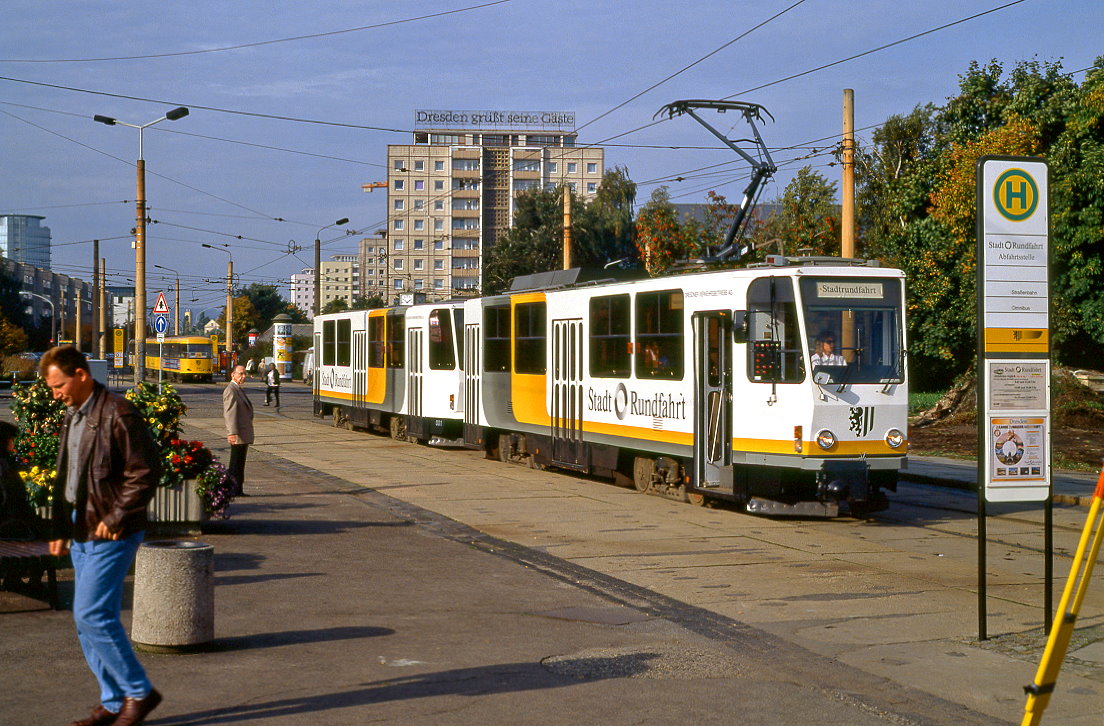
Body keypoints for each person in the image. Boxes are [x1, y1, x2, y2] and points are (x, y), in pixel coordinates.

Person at [42, 346, 163, 726]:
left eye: (59, 385)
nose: (55, 393)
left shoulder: (118, 412)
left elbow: (145, 471)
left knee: (91, 613)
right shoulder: (74, 414)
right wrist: (61, 528)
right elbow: (69, 477)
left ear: (81, 374)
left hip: (112, 528)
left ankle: (139, 692)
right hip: (82, 525)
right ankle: (113, 702)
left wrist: (116, 515)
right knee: (88, 618)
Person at [223, 364, 254, 496]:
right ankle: (232, 489)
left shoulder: (238, 389)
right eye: (240, 374)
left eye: (244, 374)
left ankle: (238, 489)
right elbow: (230, 413)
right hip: (238, 433)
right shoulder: (231, 390)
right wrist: (232, 432)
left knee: (240, 463)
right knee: (235, 463)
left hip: (243, 433)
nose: (243, 376)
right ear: (233, 375)